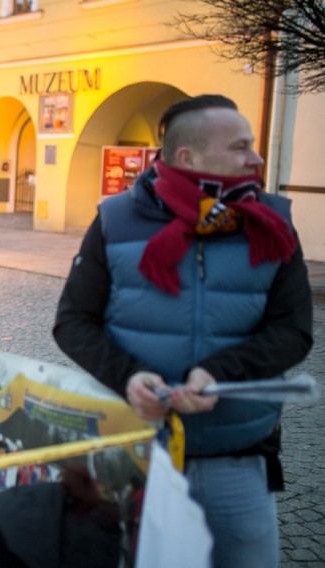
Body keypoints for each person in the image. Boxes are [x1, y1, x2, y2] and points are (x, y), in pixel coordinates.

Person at [53, 94, 313, 567]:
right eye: (239, 147)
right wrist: (128, 376)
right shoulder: (115, 220)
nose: (255, 157)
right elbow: (73, 321)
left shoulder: (274, 226)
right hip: (133, 453)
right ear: (187, 157)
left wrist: (220, 372)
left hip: (235, 458)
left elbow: (293, 330)